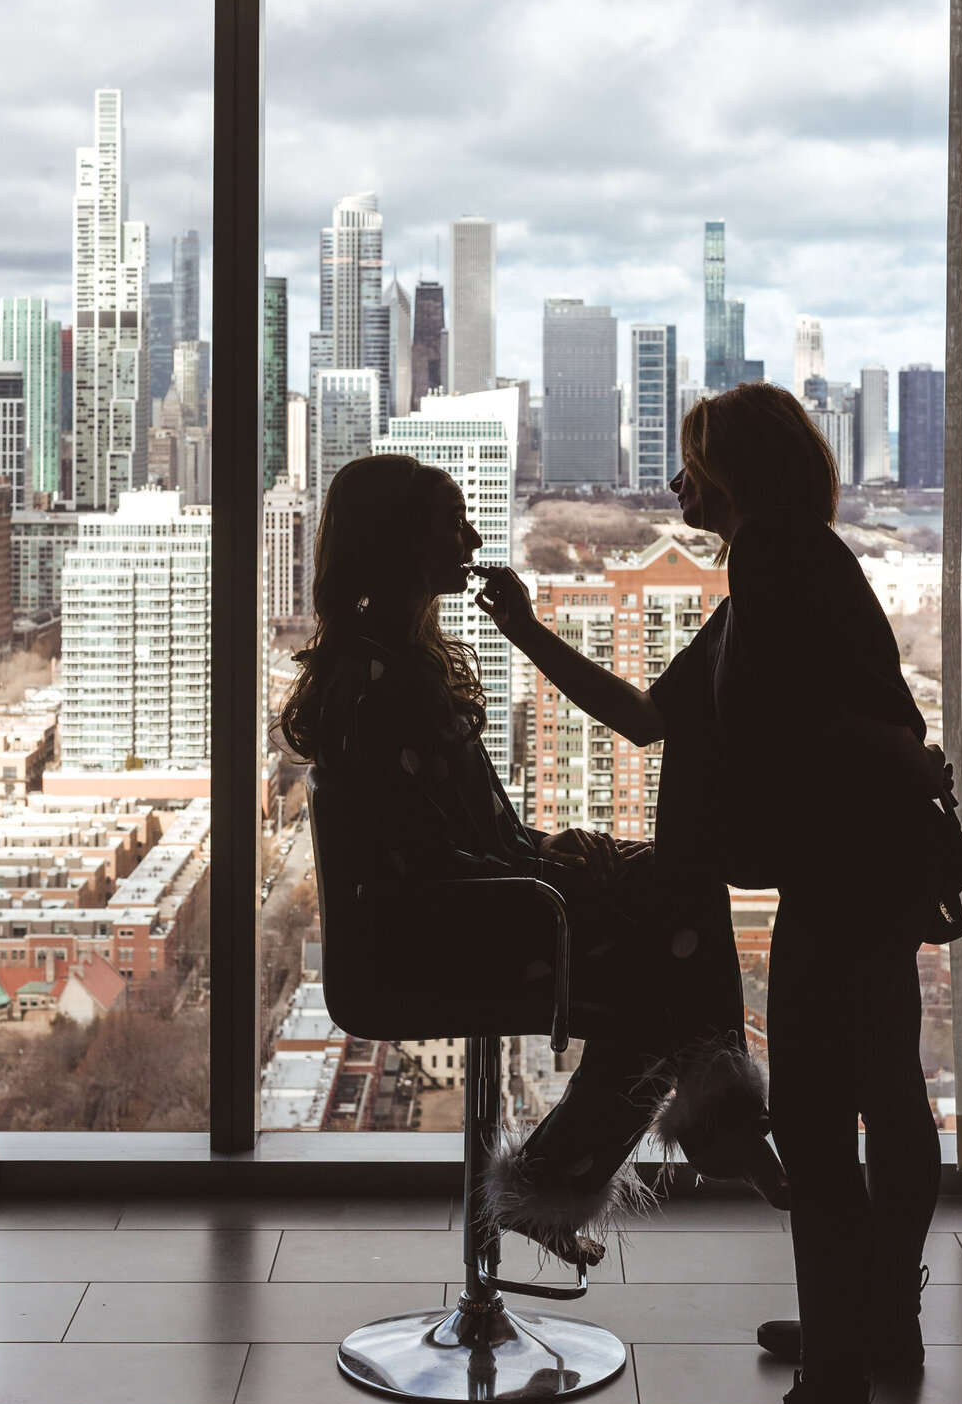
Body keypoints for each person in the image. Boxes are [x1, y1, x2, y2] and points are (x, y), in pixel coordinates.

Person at [477, 383, 953, 1404]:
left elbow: (857, 724)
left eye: (692, 465)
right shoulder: (777, 570)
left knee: (831, 1150)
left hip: (842, 884)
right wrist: (527, 627)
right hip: (871, 876)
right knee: (889, 1100)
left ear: (738, 471)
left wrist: (865, 744)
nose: (676, 485)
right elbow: (653, 718)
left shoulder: (778, 554)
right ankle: (880, 1321)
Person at [278, 453, 787, 1270]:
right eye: (452, 522)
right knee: (662, 960)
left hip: (483, 902)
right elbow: (429, 860)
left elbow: (468, 831)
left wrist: (551, 850)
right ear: (400, 544)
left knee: (680, 881)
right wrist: (550, 873)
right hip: (444, 930)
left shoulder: (396, 664)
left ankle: (645, 1152)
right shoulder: (378, 683)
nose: (475, 537)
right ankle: (681, 1139)